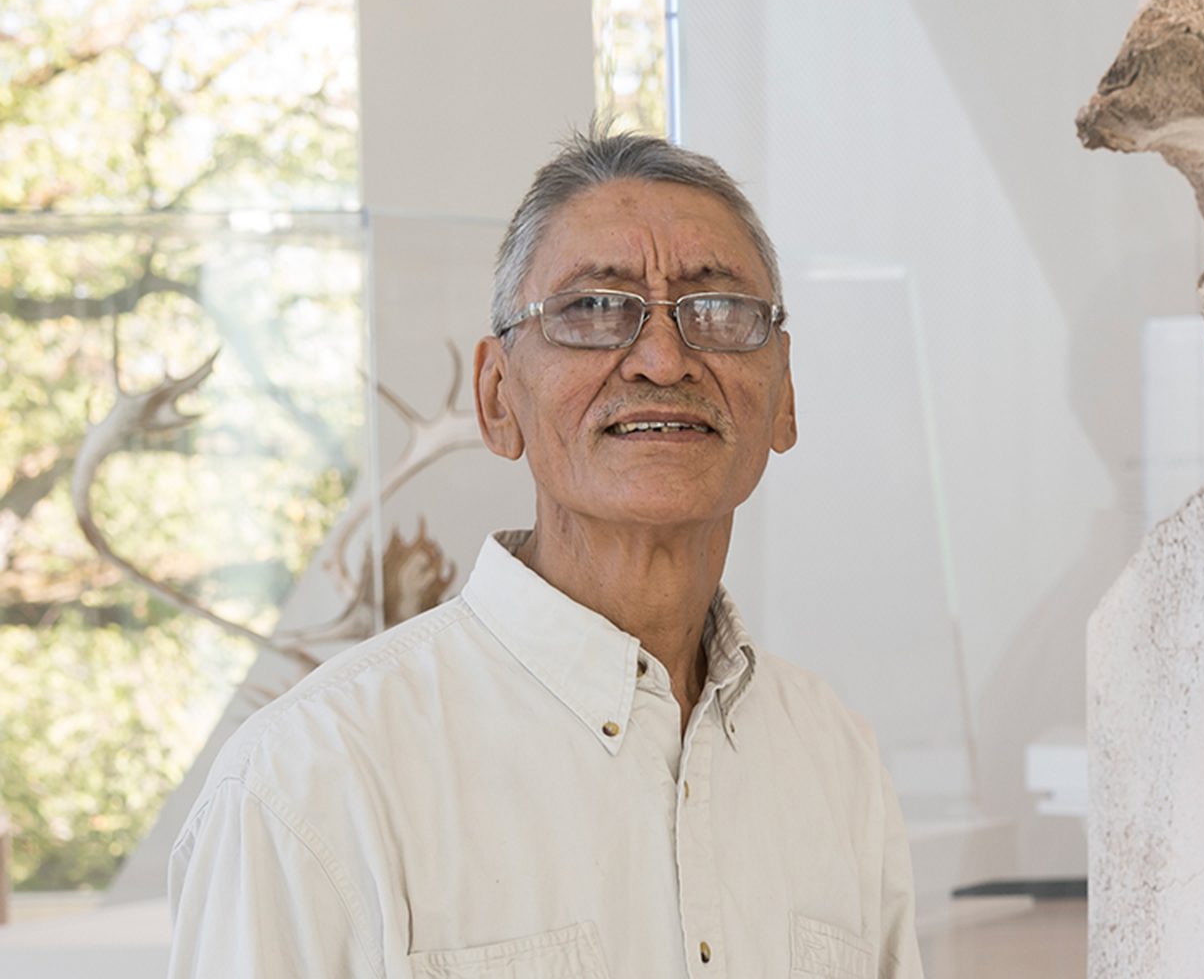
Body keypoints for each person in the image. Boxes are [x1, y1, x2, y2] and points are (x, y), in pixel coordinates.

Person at [167, 130, 923, 978]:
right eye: (594, 310)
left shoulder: (833, 758)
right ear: (498, 398)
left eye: (717, 311)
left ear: (783, 396)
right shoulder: (311, 782)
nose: (663, 358)